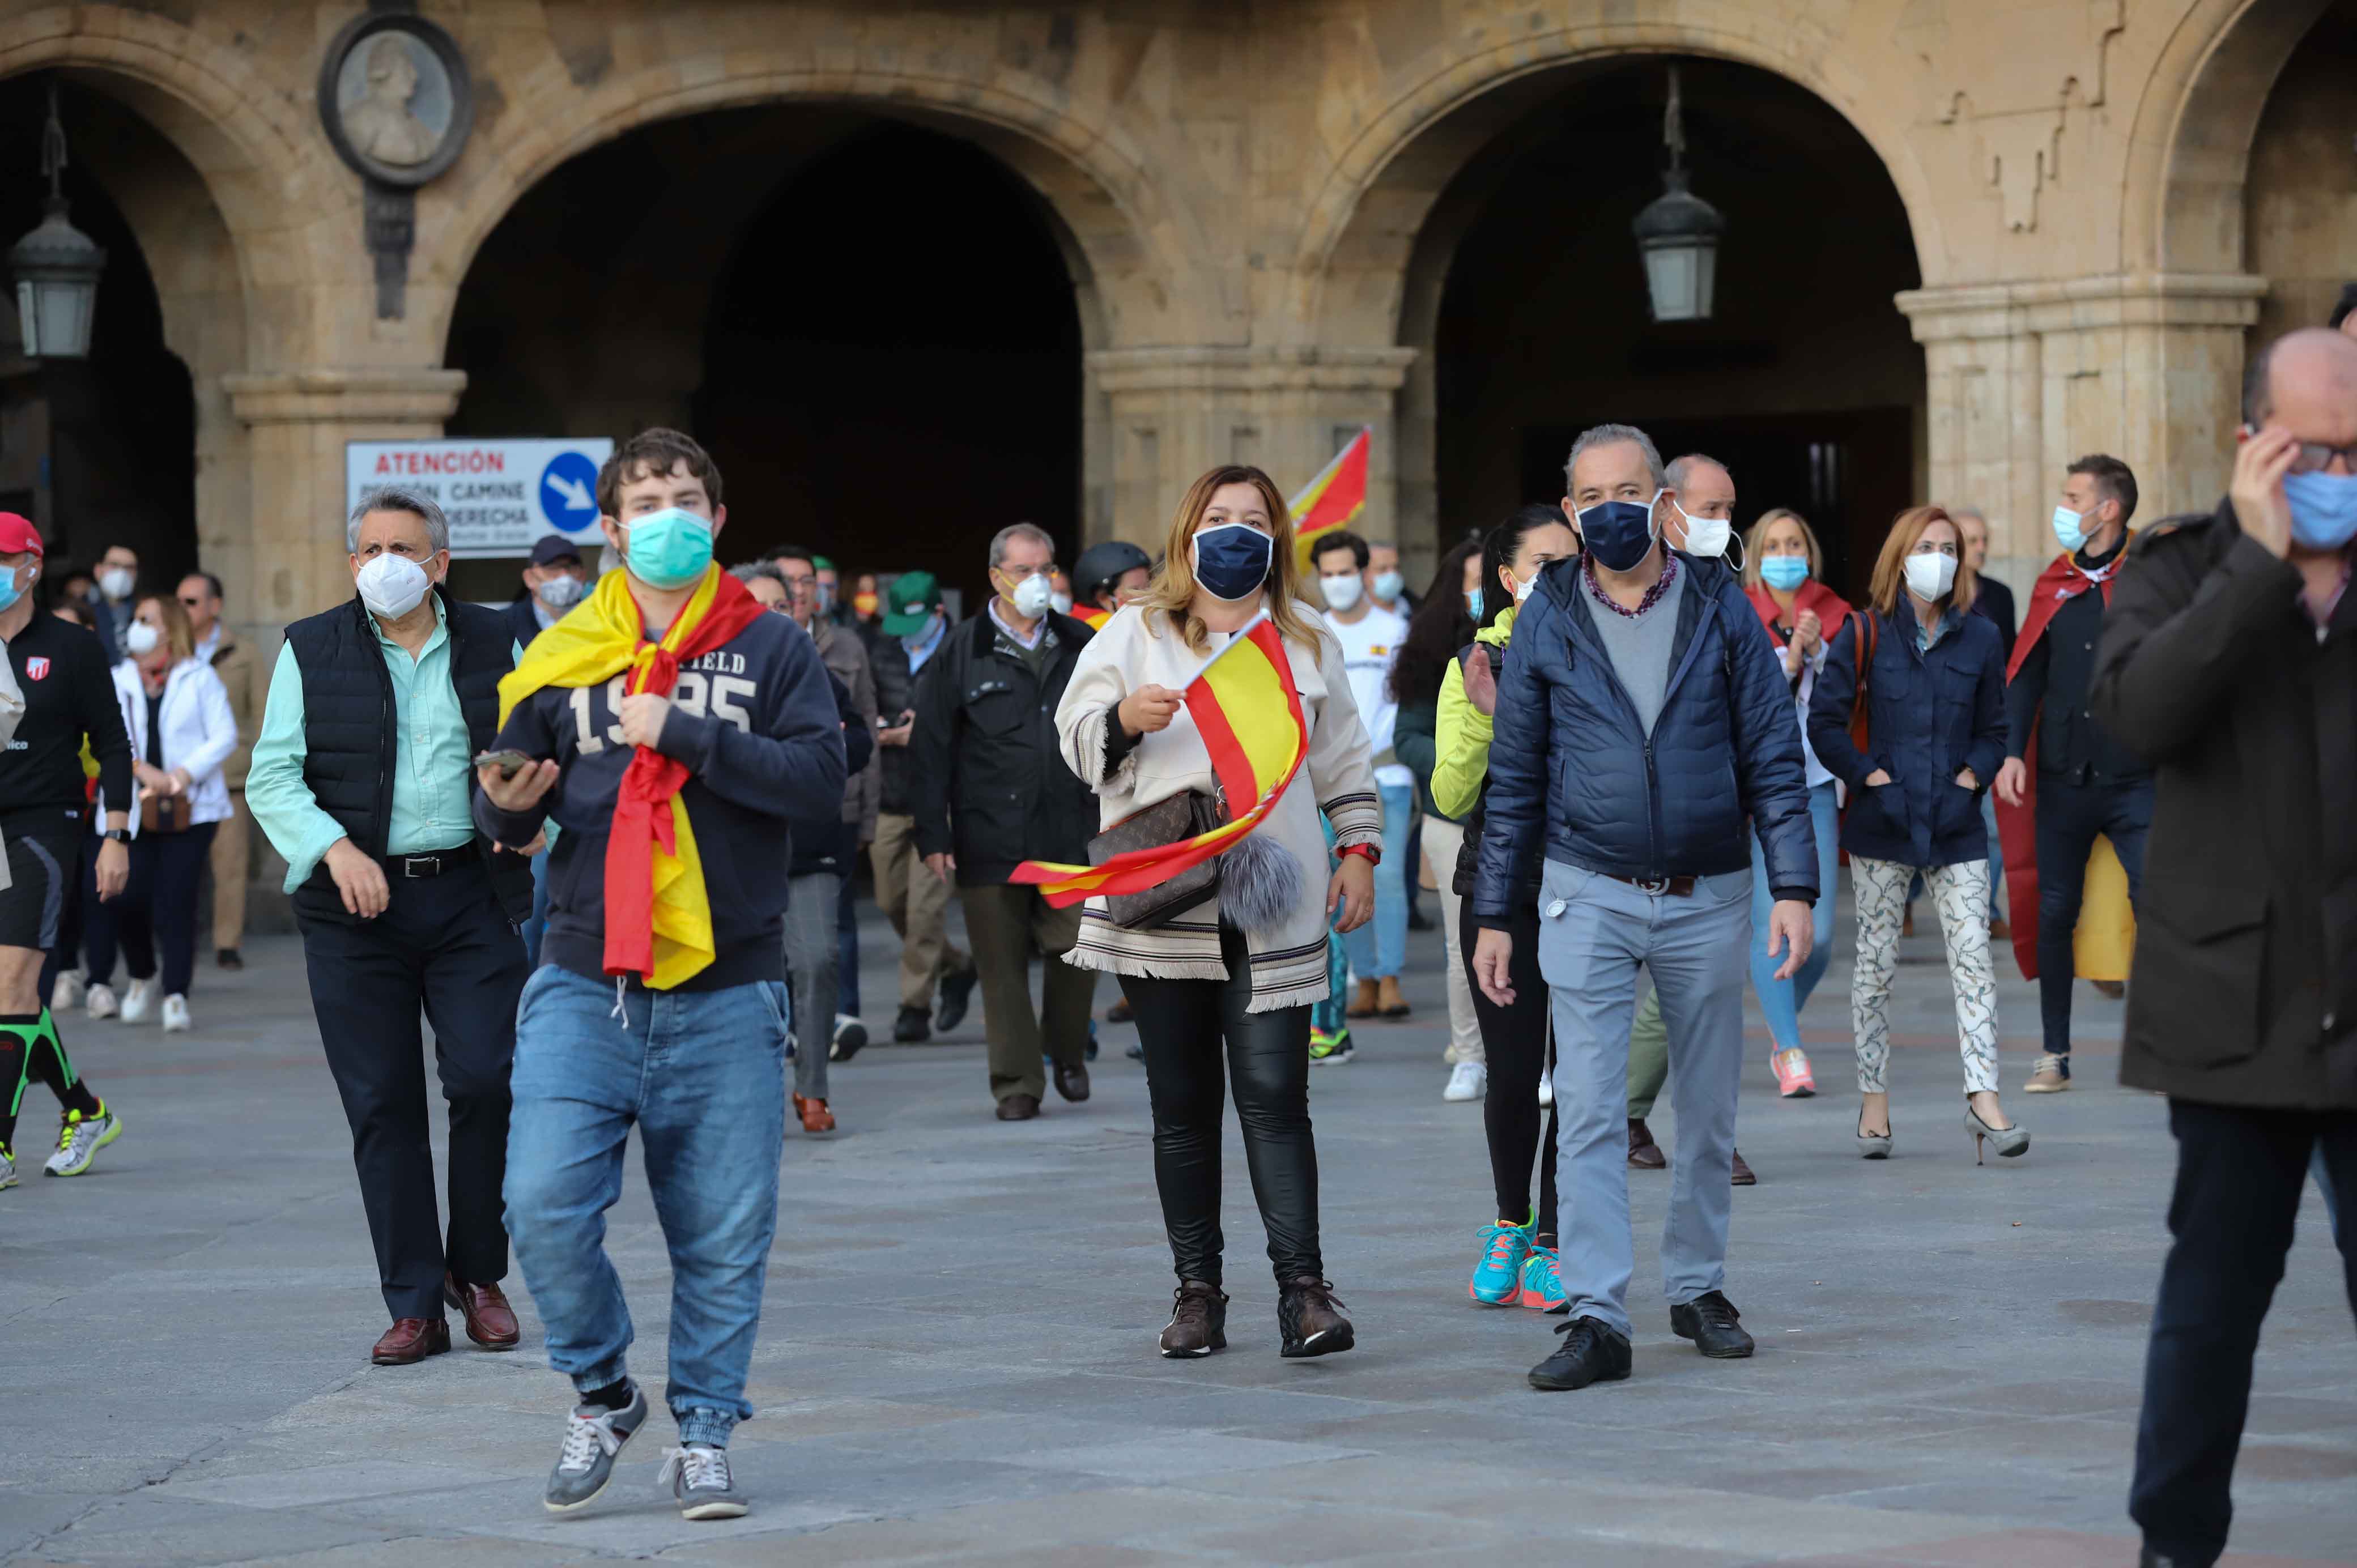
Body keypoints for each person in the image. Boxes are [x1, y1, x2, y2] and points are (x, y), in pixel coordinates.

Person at [483, 429, 844, 1519]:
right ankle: (603, 1388)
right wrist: (501, 810)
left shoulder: (771, 646)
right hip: (584, 972)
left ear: (718, 518)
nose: (667, 516)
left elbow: (824, 779)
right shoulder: (560, 656)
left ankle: (705, 1431)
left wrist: (688, 732)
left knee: (725, 1232)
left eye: (686, 498)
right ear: (611, 526)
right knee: (540, 1203)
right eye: (646, 501)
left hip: (730, 982)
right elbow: (510, 797)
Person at [1471, 423, 1818, 1392]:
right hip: (1586, 888)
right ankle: (1595, 1313)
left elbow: (1771, 754)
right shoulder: (1548, 611)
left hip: (1709, 891)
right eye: (1594, 496)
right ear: (1572, 508)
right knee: (1584, 1108)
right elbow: (1516, 774)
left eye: (1631, 489)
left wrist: (1792, 884)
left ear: (1663, 500)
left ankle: (1699, 1286)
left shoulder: (1721, 605)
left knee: (1706, 1109)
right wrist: (1498, 909)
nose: (1612, 509)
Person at [2089, 328, 2356, 1568]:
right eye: (2312, 448)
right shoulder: (2175, 571)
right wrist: (2253, 570)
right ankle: (2174, 1542)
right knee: (2212, 1306)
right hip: (2229, 1000)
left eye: (2356, 452)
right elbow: (2142, 713)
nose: (2335, 473)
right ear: (2254, 442)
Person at [1056, 463, 1377, 1358]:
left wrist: (1358, 855)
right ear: (1187, 531)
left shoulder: (1305, 641)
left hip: (1276, 896)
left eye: (1253, 518)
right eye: (1218, 515)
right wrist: (1123, 716)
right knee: (1184, 1104)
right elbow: (1076, 741)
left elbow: (1345, 761)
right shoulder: (1134, 632)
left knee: (1277, 1093)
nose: (1235, 531)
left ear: (1277, 537)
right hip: (1164, 892)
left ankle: (1304, 1293)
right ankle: (1198, 1294)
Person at [248, 485, 534, 1367]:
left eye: (402, 549)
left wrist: (525, 806)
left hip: (469, 893)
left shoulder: (497, 640)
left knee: (486, 1082)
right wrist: (335, 851)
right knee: (382, 1104)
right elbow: (273, 776)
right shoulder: (311, 646)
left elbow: (537, 755)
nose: (384, 565)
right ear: (351, 563)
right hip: (352, 909)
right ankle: (415, 1301)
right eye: (369, 550)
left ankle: (478, 1275)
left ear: (440, 564)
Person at [1809, 506, 2022, 1162]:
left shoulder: (1981, 637)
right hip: (1882, 826)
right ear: (1899, 557)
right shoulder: (1864, 633)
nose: (1939, 557)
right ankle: (1873, 1102)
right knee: (1874, 967)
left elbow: (1995, 729)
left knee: (1974, 963)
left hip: (1956, 826)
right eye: (1926, 546)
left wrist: (1970, 781)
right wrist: (1869, 778)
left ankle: (1982, 1098)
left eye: (1948, 547)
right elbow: (1824, 723)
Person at [1433, 506, 1580, 1308]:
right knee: (1515, 1071)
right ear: (1508, 578)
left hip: (1593, 884)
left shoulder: (1604, 645)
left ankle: (1556, 1238)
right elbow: (1453, 792)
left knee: (1584, 1073)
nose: (1560, 576)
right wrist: (1493, 722)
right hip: (1503, 891)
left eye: (1572, 561)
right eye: (1543, 563)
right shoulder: (1477, 660)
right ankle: (1510, 1221)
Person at [911, 523, 1102, 1120]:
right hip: (988, 830)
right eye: (1024, 570)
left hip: (1069, 828)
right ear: (996, 577)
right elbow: (930, 748)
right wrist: (932, 835)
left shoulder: (1079, 641)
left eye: (1046, 569)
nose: (1038, 581)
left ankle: (1065, 1048)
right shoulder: (960, 650)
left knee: (1078, 948)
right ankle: (1016, 1083)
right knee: (1001, 966)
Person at [1620, 455, 1762, 1184]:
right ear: (1667, 507)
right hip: (1633, 827)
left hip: (1714, 817)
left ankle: (1645, 1113)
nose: (1721, 523)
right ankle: (1648, 1117)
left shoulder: (1721, 591)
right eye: (1709, 508)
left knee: (1703, 980)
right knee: (1690, 982)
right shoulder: (1623, 594)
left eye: (1729, 508)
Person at [1994, 454, 2150, 1094]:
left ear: (2106, 508)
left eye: (2072, 495)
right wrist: (2009, 750)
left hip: (2137, 773)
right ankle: (2053, 1053)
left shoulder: (2150, 579)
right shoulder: (2052, 581)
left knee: (2159, 905)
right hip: (2062, 776)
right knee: (2055, 908)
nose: (2063, 506)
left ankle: (2161, 1042)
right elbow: (2026, 671)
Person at [0, 513, 131, 1191]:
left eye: (0, 557)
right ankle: (84, 1109)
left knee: (14, 984)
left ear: (30, 565)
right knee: (7, 996)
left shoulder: (73, 646)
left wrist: (115, 833)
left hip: (47, 824)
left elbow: (112, 741)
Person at [749, 552, 880, 1113]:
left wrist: (810, 756)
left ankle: (812, 1085)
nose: (773, 615)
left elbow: (857, 741)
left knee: (819, 959)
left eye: (780, 605)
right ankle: (756, 1090)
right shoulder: (705, 673)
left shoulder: (816, 673)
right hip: (736, 847)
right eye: (758, 607)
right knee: (749, 978)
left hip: (811, 841)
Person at [81, 593, 237, 1034]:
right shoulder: (116, 677)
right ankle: (143, 973)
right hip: (129, 808)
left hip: (191, 809)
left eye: (146, 618)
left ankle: (175, 995)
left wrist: (181, 776)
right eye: (135, 619)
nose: (137, 625)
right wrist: (143, 771)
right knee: (126, 897)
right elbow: (103, 736)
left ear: (168, 627)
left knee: (177, 900)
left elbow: (224, 735)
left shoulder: (198, 676)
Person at [1741, 508, 1850, 1098]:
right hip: (1758, 788)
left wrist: (1816, 653)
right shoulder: (1737, 614)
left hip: (1813, 782)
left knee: (1823, 934)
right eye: (1773, 544)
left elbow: (1850, 694)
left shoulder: (1833, 613)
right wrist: (1786, 662)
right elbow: (1750, 704)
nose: (1785, 553)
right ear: (1756, 555)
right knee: (1773, 925)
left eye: (1794, 543)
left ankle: (1781, 1026)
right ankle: (1788, 1048)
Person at [1393, 538, 1485, 1100]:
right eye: (1471, 581)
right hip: (1452, 815)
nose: (1483, 592)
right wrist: (1461, 763)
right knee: (1463, 944)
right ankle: (1470, 1055)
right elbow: (1406, 737)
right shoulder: (1430, 650)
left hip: (1526, 817)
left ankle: (1538, 1058)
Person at [869, 571, 976, 1043]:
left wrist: (928, 731)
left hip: (944, 800)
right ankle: (957, 965)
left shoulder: (964, 653)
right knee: (891, 902)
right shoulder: (881, 652)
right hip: (891, 796)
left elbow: (979, 724)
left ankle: (913, 1006)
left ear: (938, 613)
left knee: (926, 911)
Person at [1311, 530, 1411, 1021]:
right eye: (1327, 575)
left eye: (1346, 572)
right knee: (1337, 884)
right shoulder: (1311, 632)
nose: (1337, 583)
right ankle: (1364, 980)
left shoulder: (1396, 631)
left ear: (1364, 571)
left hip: (1386, 775)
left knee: (1386, 878)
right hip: (1329, 785)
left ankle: (1390, 978)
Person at [177, 572, 260, 970]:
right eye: (180, 601)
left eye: (192, 601)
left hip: (230, 777)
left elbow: (263, 713)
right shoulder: (171, 651)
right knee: (179, 868)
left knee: (230, 866)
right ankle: (179, 935)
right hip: (180, 778)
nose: (184, 609)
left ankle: (227, 943)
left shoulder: (243, 652)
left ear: (215, 605)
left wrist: (259, 765)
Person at [1951, 509, 2013, 939]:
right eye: (1971, 540)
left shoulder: (2000, 595)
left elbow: (2010, 659)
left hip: (1986, 727)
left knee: (1992, 828)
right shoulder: (1931, 593)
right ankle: (1911, 896)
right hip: (1941, 726)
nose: (1980, 548)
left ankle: (1986, 909)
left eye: (1983, 539)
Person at [501, 534, 592, 652]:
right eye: (553, 568)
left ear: (583, 575)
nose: (564, 576)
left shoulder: (601, 622)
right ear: (529, 578)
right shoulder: (505, 626)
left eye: (571, 567)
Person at [1071, 538, 1152, 631]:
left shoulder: (1073, 623)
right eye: (1136, 590)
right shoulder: (1104, 630)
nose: (1147, 595)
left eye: (1148, 586)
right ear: (1103, 597)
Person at [90, 542, 139, 662]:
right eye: (114, 565)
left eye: (129, 567)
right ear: (98, 571)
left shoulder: (145, 610)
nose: (122, 573)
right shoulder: (82, 611)